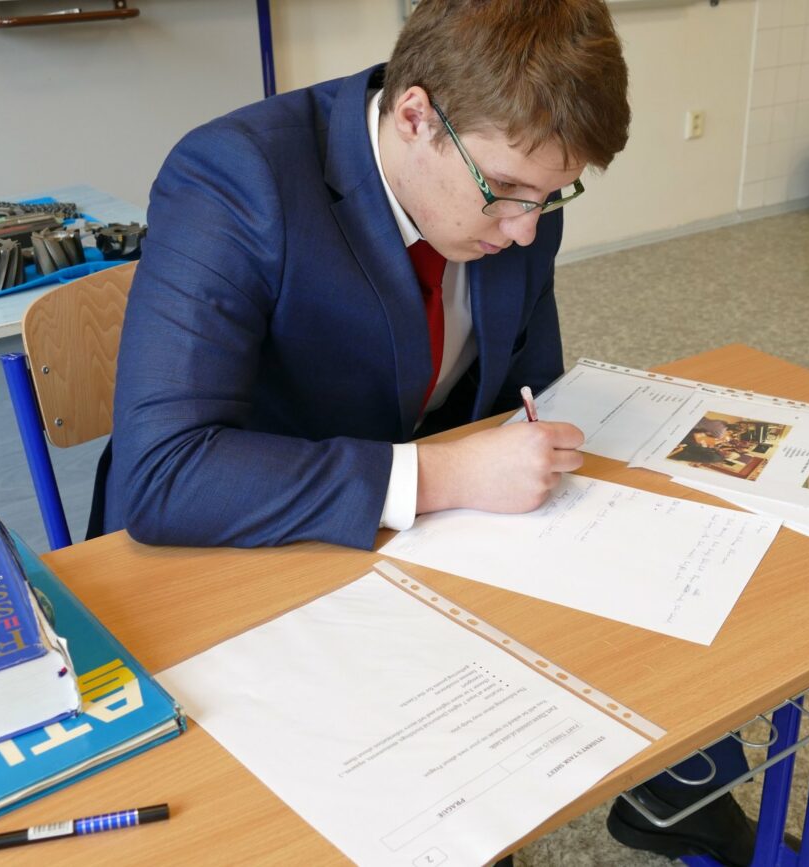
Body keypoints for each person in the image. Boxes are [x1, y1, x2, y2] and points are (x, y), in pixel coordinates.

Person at [90, 0, 764, 862]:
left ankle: (671, 788)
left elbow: (521, 392)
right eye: (508, 192)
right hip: (241, 550)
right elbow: (166, 474)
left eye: (553, 195)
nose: (528, 227)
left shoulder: (518, 185)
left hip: (418, 537)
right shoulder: (236, 176)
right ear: (416, 116)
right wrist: (443, 477)